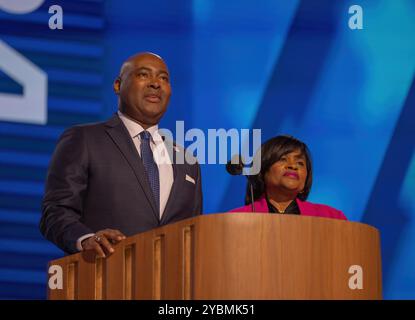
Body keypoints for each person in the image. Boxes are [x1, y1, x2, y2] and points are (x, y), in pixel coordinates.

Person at [40, 52, 203, 256]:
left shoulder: (187, 160)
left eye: (164, 78)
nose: (156, 84)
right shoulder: (84, 139)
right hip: (106, 276)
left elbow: (194, 232)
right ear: (118, 85)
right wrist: (86, 239)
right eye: (144, 75)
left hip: (172, 282)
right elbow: (55, 212)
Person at [229, 135, 346, 220]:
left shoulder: (332, 218)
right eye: (283, 159)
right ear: (262, 171)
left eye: (300, 163)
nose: (293, 166)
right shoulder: (235, 220)